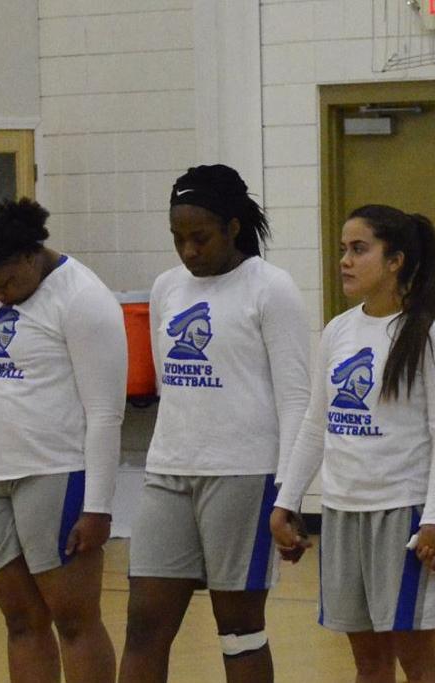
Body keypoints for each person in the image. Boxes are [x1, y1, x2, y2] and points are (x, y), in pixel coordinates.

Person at [120, 165, 311, 683]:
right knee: (143, 627)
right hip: (168, 470)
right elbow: (168, 383)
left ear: (232, 227)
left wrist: (288, 496)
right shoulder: (167, 288)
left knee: (238, 630)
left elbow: (297, 400)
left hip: (243, 476)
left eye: (199, 238)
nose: (188, 251)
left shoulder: (271, 289)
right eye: (178, 239)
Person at [0, 198, 124, 683]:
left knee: (74, 622)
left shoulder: (83, 299)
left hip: (56, 475)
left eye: (6, 283)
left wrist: (97, 506)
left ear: (32, 255)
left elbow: (104, 413)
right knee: (20, 622)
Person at [268, 205, 435, 683]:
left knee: (416, 657)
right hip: (341, 512)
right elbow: (317, 425)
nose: (345, 261)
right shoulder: (338, 330)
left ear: (394, 260)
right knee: (368, 662)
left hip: (403, 512)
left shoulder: (432, 333)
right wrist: (286, 500)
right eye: (342, 250)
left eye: (359, 249)